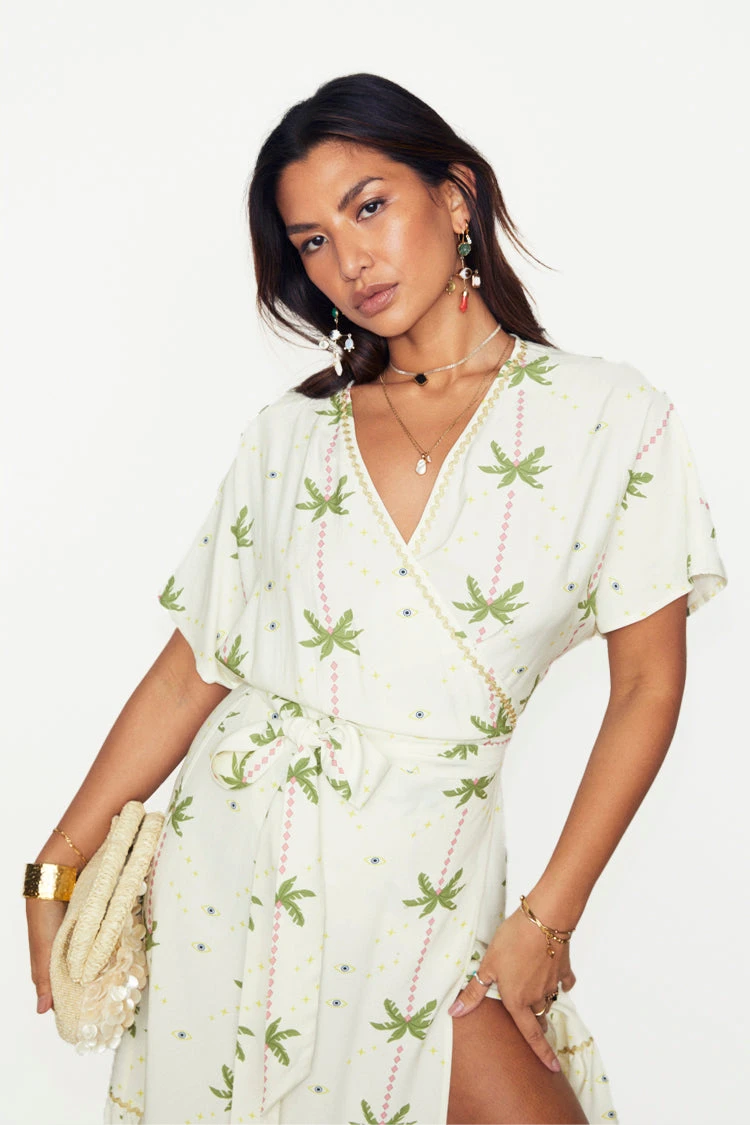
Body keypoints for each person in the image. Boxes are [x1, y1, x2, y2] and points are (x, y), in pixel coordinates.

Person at [25, 72, 727, 1125]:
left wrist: (548, 920)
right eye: (312, 240)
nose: (348, 261)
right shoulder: (289, 438)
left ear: (455, 196)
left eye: (368, 206)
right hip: (237, 873)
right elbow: (190, 671)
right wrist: (57, 865)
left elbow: (647, 689)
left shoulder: (610, 419)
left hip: (430, 876)